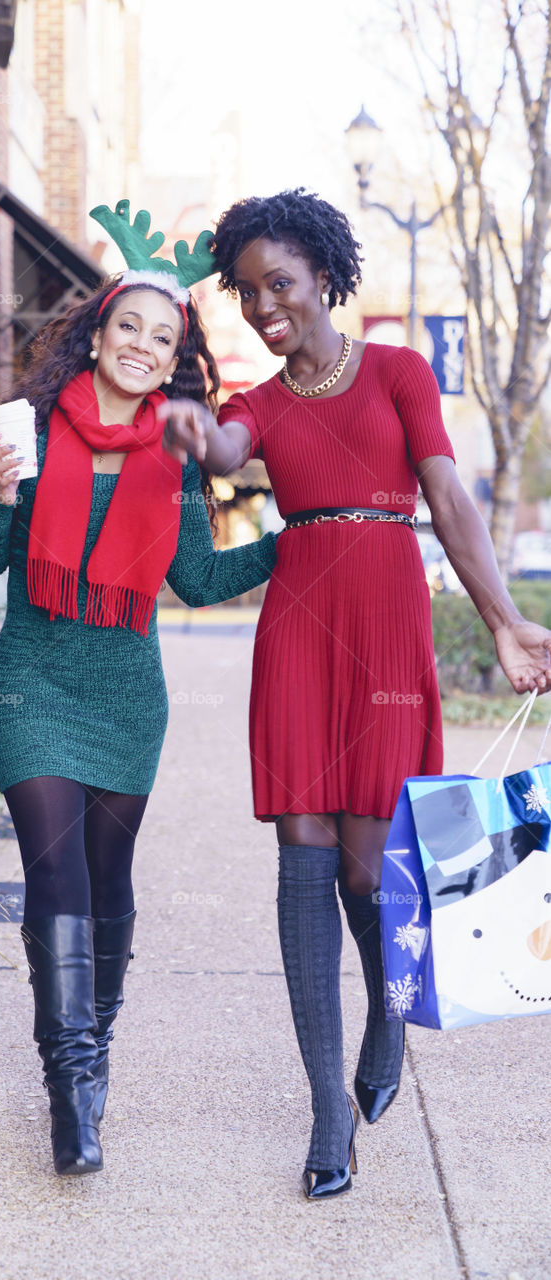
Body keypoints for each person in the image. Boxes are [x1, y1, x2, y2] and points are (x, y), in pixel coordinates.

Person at [160, 188, 551, 1200]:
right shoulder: (255, 398)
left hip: (384, 628)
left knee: (372, 868)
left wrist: (506, 620)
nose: (263, 305)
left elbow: (451, 500)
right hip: (297, 631)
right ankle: (327, 1109)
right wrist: (187, 420)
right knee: (302, 849)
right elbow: (227, 451)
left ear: (323, 274)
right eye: (246, 291)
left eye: (277, 282)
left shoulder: (396, 371)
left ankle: (388, 1010)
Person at [0, 268, 278, 1177]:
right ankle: (71, 1090)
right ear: (95, 337)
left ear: (175, 362)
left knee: (105, 880)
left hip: (127, 693)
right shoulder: (24, 433)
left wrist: (306, 536)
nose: (139, 344)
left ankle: (93, 1049)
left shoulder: (173, 458)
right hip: (31, 686)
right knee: (53, 878)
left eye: (160, 338)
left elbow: (198, 582)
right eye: (125, 327)